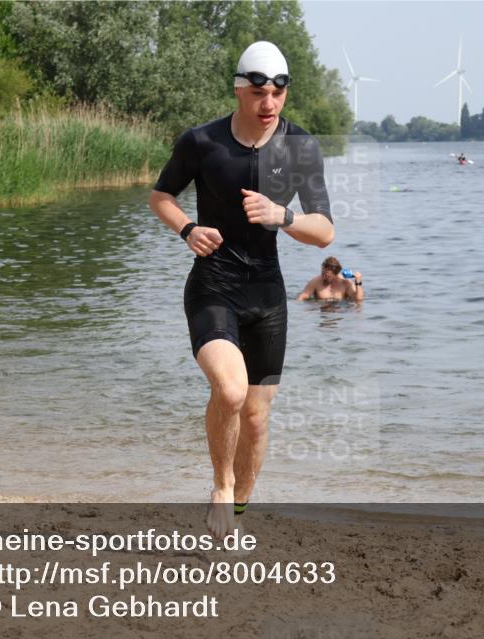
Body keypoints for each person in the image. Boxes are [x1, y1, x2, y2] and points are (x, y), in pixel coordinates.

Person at [148, 41, 334, 538]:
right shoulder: (202, 141)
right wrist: (187, 229)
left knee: (255, 420)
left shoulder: (300, 148)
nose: (268, 101)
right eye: (258, 91)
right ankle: (221, 488)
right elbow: (161, 195)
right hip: (213, 285)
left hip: (268, 296)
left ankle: (238, 513)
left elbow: (324, 231)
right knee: (229, 391)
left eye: (278, 91)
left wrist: (284, 216)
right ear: (239, 90)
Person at [298, 256, 363, 301]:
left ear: (336, 274)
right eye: (322, 273)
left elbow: (358, 300)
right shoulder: (316, 282)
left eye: (327, 275)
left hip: (339, 311)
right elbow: (302, 297)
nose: (324, 277)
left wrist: (358, 282)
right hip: (322, 311)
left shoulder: (346, 283)